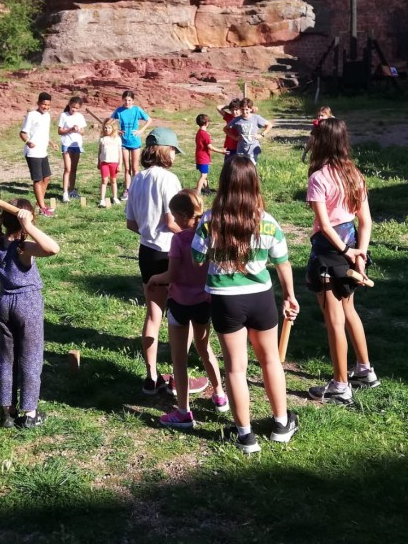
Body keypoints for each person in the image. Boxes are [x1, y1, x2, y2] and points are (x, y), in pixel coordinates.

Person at [192, 156, 300, 454]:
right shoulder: (268, 222)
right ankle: (281, 424)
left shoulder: (210, 220)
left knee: (236, 369)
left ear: (224, 183)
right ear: (254, 184)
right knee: (270, 361)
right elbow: (283, 263)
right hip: (261, 297)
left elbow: (197, 259)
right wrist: (290, 295)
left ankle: (245, 436)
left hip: (225, 301)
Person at [126, 127, 209, 396]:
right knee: (179, 316)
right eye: (173, 150)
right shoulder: (169, 179)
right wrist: (193, 237)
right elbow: (173, 221)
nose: (175, 155)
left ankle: (151, 377)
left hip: (146, 253)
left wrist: (148, 232)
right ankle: (177, 376)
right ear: (164, 149)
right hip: (171, 253)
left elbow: (131, 223)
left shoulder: (137, 179)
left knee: (153, 315)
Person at [303, 118, 379, 407]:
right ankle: (364, 370)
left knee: (334, 319)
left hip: (329, 252)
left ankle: (340, 386)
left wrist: (348, 252)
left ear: (320, 142)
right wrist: (360, 251)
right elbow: (366, 221)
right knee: (350, 310)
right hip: (351, 246)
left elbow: (323, 224)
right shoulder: (355, 174)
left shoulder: (319, 177)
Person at [147, 190, 229, 429]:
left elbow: (171, 275)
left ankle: (183, 411)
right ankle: (220, 393)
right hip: (204, 302)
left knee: (179, 358)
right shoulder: (211, 236)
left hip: (180, 304)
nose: (172, 220)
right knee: (205, 348)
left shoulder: (180, 240)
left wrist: (155, 278)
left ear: (183, 216)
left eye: (174, 216)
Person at [0, 193, 60, 429]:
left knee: (7, 358)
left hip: (5, 302)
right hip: (28, 303)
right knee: (31, 358)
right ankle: (29, 413)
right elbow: (53, 248)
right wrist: (30, 226)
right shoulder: (24, 247)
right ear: (26, 220)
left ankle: (7, 411)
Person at [110, 90, 152, 201]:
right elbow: (110, 122)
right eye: (125, 100)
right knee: (127, 168)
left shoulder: (137, 110)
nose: (127, 102)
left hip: (135, 142)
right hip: (123, 142)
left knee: (135, 168)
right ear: (122, 100)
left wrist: (141, 130)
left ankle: (137, 190)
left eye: (129, 100)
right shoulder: (119, 111)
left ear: (133, 101)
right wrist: (116, 130)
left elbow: (149, 120)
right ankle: (127, 190)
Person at [20, 92, 57, 217]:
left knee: (47, 178)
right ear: (38, 103)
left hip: (43, 151)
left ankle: (39, 202)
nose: (46, 107)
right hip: (32, 152)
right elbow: (22, 133)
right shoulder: (31, 115)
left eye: (48, 105)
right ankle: (42, 208)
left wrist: (52, 143)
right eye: (43, 104)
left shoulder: (47, 116)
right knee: (38, 179)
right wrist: (28, 142)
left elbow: (44, 133)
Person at [58, 97, 88, 203]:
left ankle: (71, 190)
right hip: (67, 144)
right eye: (72, 107)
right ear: (69, 105)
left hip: (77, 145)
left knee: (74, 169)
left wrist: (78, 130)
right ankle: (65, 192)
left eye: (76, 108)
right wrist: (70, 129)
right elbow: (60, 131)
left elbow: (83, 131)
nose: (74, 109)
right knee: (68, 169)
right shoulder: (63, 115)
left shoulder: (80, 116)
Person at [227, 99, 272, 163]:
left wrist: (262, 134)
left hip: (252, 147)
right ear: (240, 109)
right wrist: (234, 137)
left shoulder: (256, 118)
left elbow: (269, 125)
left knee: (251, 167)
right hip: (241, 148)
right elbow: (225, 129)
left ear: (250, 109)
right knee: (241, 167)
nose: (244, 112)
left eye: (246, 109)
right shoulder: (237, 120)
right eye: (242, 109)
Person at [193, 114, 225, 196]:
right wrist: (221, 151)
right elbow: (210, 147)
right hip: (203, 158)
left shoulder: (199, 133)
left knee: (204, 175)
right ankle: (198, 192)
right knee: (203, 176)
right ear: (207, 123)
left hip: (199, 156)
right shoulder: (205, 134)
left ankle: (207, 190)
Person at [97, 118, 122, 208]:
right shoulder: (102, 139)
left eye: (109, 128)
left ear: (113, 129)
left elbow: (120, 152)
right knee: (104, 180)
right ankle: (102, 199)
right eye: (105, 128)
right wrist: (98, 161)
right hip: (104, 162)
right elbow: (99, 151)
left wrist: (120, 164)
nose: (107, 130)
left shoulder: (117, 139)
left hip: (114, 162)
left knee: (113, 180)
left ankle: (115, 197)